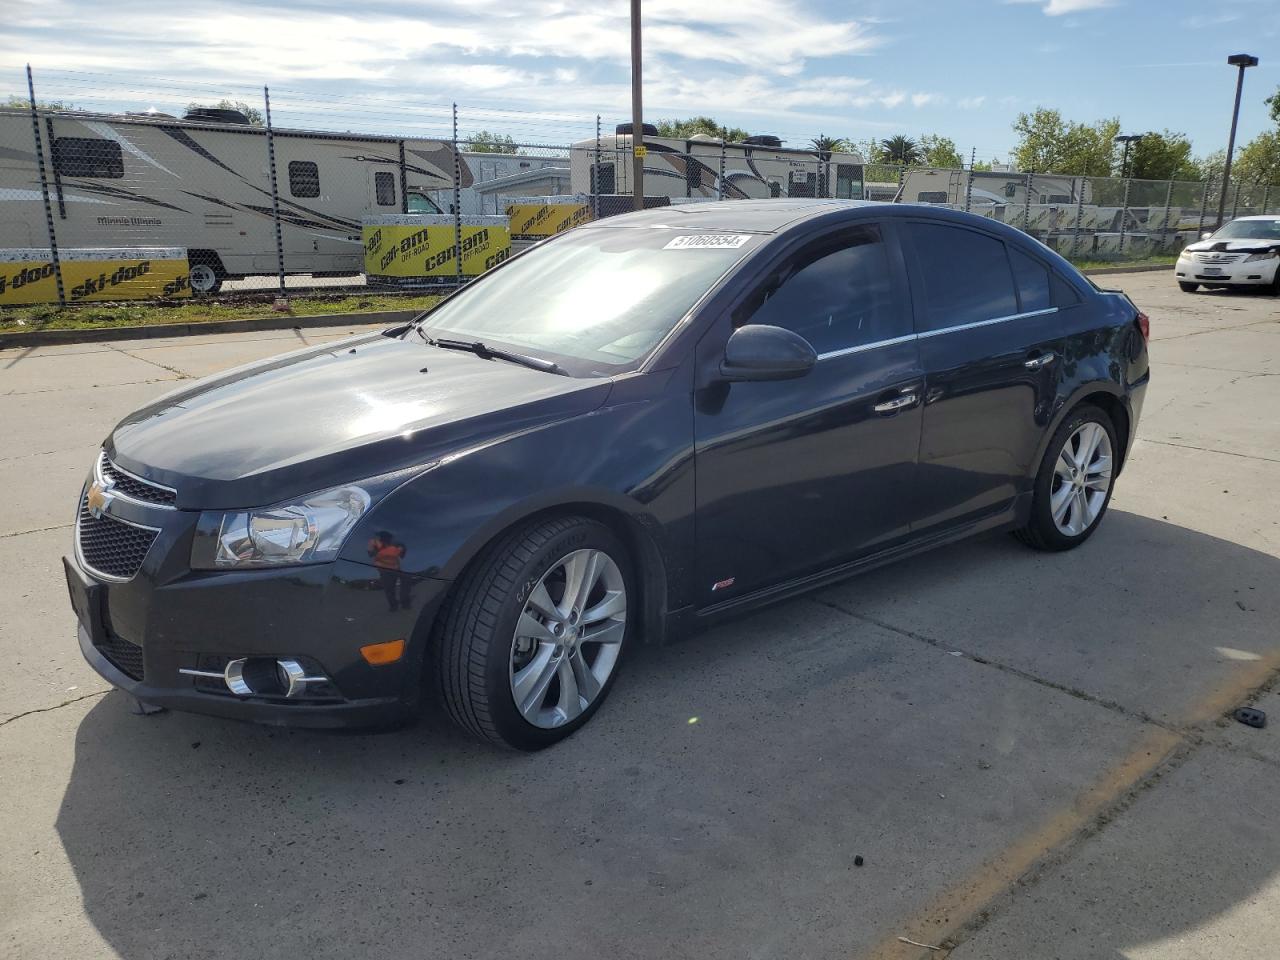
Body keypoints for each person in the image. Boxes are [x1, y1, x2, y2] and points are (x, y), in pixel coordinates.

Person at [367, 530, 411, 612]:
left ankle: (404, 602)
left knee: (406, 581)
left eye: (388, 537)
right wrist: (372, 546)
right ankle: (394, 605)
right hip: (384, 570)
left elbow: (401, 554)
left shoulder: (395, 544)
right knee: (389, 589)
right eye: (383, 537)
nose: (386, 539)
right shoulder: (376, 543)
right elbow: (370, 554)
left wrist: (401, 548)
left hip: (396, 568)